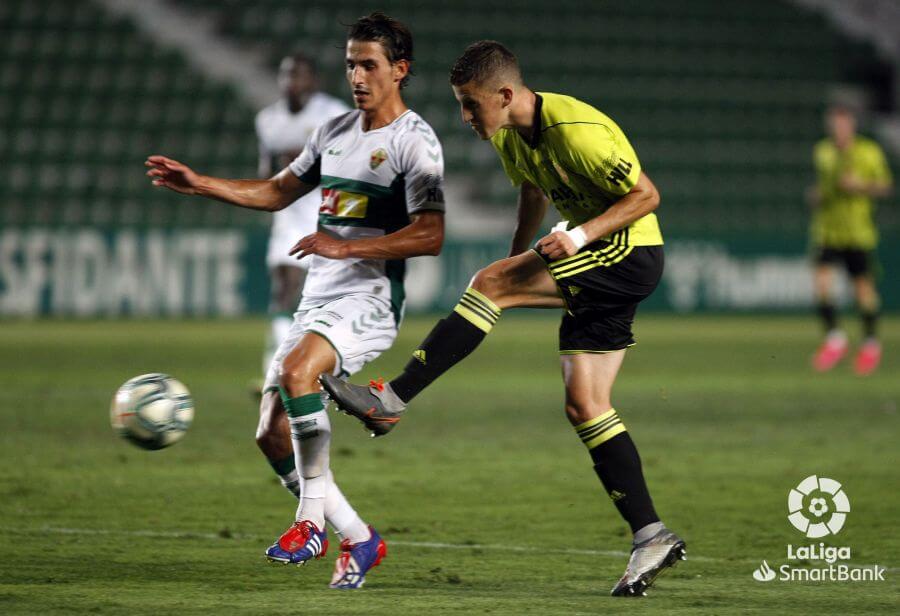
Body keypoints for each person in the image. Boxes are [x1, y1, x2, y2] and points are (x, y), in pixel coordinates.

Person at [322, 40, 684, 597]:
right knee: (585, 405)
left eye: (471, 105)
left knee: (489, 285)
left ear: (506, 94)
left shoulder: (578, 130)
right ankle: (651, 535)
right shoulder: (514, 135)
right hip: (600, 261)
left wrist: (576, 236)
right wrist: (518, 259)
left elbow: (646, 196)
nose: (466, 117)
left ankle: (391, 399)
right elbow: (534, 193)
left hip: (627, 253)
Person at [145, 13, 446, 589]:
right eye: (351, 63)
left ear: (400, 70)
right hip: (320, 294)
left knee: (295, 370)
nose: (357, 75)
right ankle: (359, 538)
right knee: (269, 431)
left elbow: (430, 235)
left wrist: (346, 247)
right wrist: (201, 183)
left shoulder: (416, 142)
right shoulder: (332, 131)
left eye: (370, 64)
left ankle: (308, 522)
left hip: (372, 295)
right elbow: (280, 191)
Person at [256, 52, 349, 383]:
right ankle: (275, 367)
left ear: (313, 81)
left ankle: (323, 366)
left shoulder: (335, 114)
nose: (290, 82)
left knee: (325, 297)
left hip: (329, 213)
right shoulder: (267, 120)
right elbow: (266, 173)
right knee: (285, 287)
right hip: (290, 213)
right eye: (285, 75)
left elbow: (350, 166)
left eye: (297, 75)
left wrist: (306, 162)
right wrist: (283, 167)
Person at [808, 103, 893, 375]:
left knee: (863, 291)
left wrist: (861, 186)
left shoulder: (869, 152)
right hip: (828, 230)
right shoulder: (823, 151)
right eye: (834, 125)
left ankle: (870, 344)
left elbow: (885, 186)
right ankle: (835, 339)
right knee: (822, 283)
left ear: (852, 125)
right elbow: (825, 186)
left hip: (858, 231)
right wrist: (818, 195)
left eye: (843, 124)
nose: (838, 130)